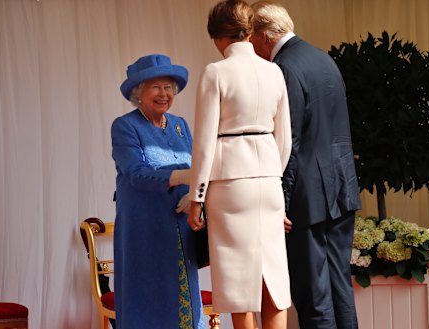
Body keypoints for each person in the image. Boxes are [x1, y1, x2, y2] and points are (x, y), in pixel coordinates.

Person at [250, 2, 362, 329]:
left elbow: (291, 139)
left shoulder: (284, 67)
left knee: (312, 292)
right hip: (341, 187)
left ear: (265, 36)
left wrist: (280, 202)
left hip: (307, 195)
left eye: (253, 40)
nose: (253, 48)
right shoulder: (323, 58)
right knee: (340, 284)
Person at [186, 1, 292, 329]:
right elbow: (284, 138)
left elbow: (204, 143)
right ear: (248, 32)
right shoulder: (273, 70)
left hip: (230, 186)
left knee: (237, 283)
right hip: (269, 184)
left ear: (218, 37)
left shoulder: (215, 72)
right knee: (272, 278)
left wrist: (196, 198)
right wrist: (274, 180)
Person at [111, 54, 205, 329]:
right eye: (156, 87)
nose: (164, 94)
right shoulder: (125, 125)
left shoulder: (179, 125)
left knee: (184, 297)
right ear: (139, 93)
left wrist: (195, 194)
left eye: (168, 87)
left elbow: (197, 163)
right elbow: (135, 173)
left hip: (181, 224)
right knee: (147, 299)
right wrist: (185, 176)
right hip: (143, 227)